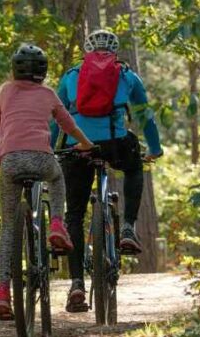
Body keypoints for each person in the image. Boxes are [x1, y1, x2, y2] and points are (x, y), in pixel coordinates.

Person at [51, 29, 164, 313]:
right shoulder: (127, 76)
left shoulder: (71, 76)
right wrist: (155, 147)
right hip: (115, 143)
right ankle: (127, 227)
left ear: (87, 50)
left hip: (79, 147)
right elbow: (144, 116)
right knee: (134, 168)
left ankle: (77, 283)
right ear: (115, 50)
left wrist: (53, 148)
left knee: (74, 213)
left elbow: (56, 117)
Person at [0, 44, 94, 320]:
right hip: (43, 159)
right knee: (57, 177)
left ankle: (3, 293)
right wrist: (86, 144)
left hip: (10, 162)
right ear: (43, 72)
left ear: (14, 69)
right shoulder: (49, 94)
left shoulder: (4, 93)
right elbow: (68, 126)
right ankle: (56, 222)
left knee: (8, 228)